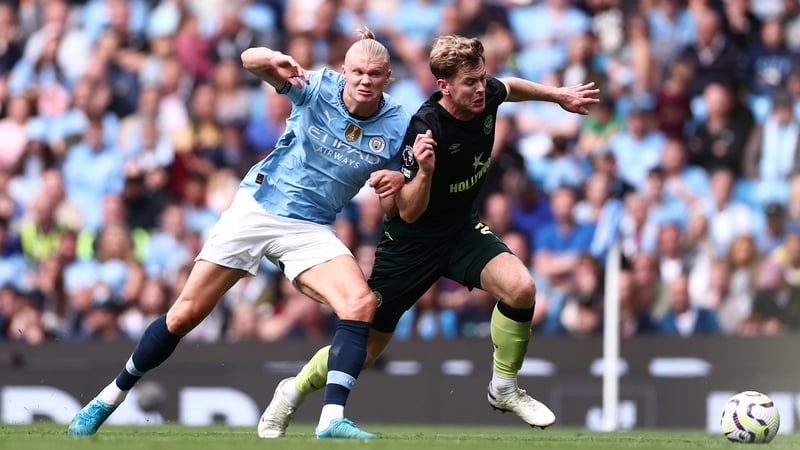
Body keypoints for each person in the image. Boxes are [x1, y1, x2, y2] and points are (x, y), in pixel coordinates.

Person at [66, 28, 410, 439]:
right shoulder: (316, 86)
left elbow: (403, 196)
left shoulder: (398, 125)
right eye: (358, 72)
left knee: (359, 303)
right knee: (185, 314)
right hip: (257, 209)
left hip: (311, 227)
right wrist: (272, 58)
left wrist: (398, 183)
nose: (365, 81)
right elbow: (248, 59)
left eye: (375, 74)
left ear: (388, 77)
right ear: (344, 70)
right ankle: (109, 397)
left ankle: (330, 418)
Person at [257, 34, 599, 438]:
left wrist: (557, 95)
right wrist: (426, 171)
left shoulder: (485, 91)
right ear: (444, 86)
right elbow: (407, 210)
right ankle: (292, 391)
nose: (480, 88)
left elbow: (511, 86)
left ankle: (504, 388)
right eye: (470, 82)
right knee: (364, 351)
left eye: (480, 78)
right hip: (412, 244)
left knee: (521, 288)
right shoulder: (425, 128)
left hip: (460, 230)